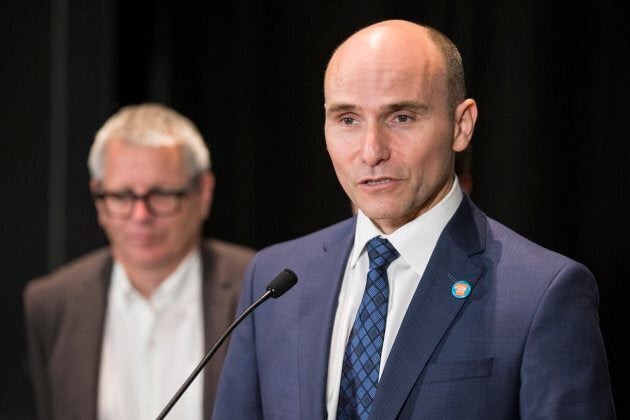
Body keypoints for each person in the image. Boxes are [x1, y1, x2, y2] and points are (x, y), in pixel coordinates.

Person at [212, 20, 615, 419]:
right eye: (347, 119)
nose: (371, 151)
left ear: (461, 125)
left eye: (401, 117)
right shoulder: (276, 278)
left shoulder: (541, 294)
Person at [24, 103, 255, 420]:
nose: (141, 216)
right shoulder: (51, 302)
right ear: (98, 198)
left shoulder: (258, 288)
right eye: (121, 196)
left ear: (203, 193)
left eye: (161, 194)